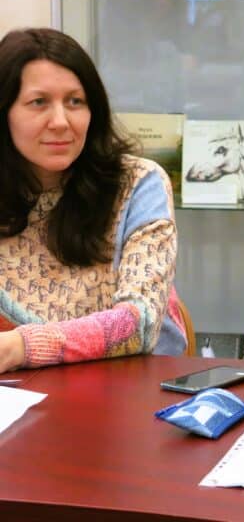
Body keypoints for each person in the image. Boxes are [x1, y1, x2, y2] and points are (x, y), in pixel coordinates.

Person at [0, 27, 186, 373]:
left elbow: (140, 323)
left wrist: (21, 346)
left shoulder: (138, 184)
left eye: (75, 101)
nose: (61, 122)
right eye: (39, 102)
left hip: (133, 387)